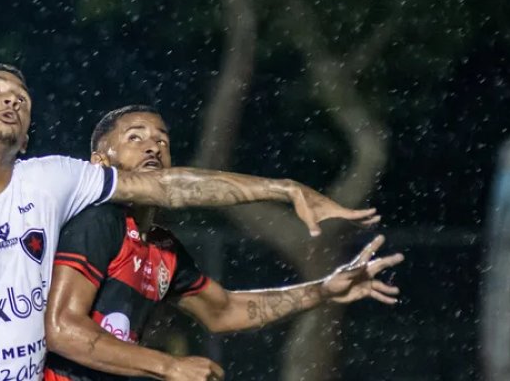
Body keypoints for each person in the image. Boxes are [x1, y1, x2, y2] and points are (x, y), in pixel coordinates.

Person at [0, 65, 381, 381]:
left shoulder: (50, 182)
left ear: (28, 134)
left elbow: (173, 194)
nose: (10, 98)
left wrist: (287, 192)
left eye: (21, 98)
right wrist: (168, 367)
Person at [43, 105, 404, 381]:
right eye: (135, 137)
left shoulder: (161, 246)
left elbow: (223, 310)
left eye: (162, 140)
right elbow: (60, 329)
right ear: (98, 162)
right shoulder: (98, 221)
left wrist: (324, 290)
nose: (153, 146)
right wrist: (170, 366)